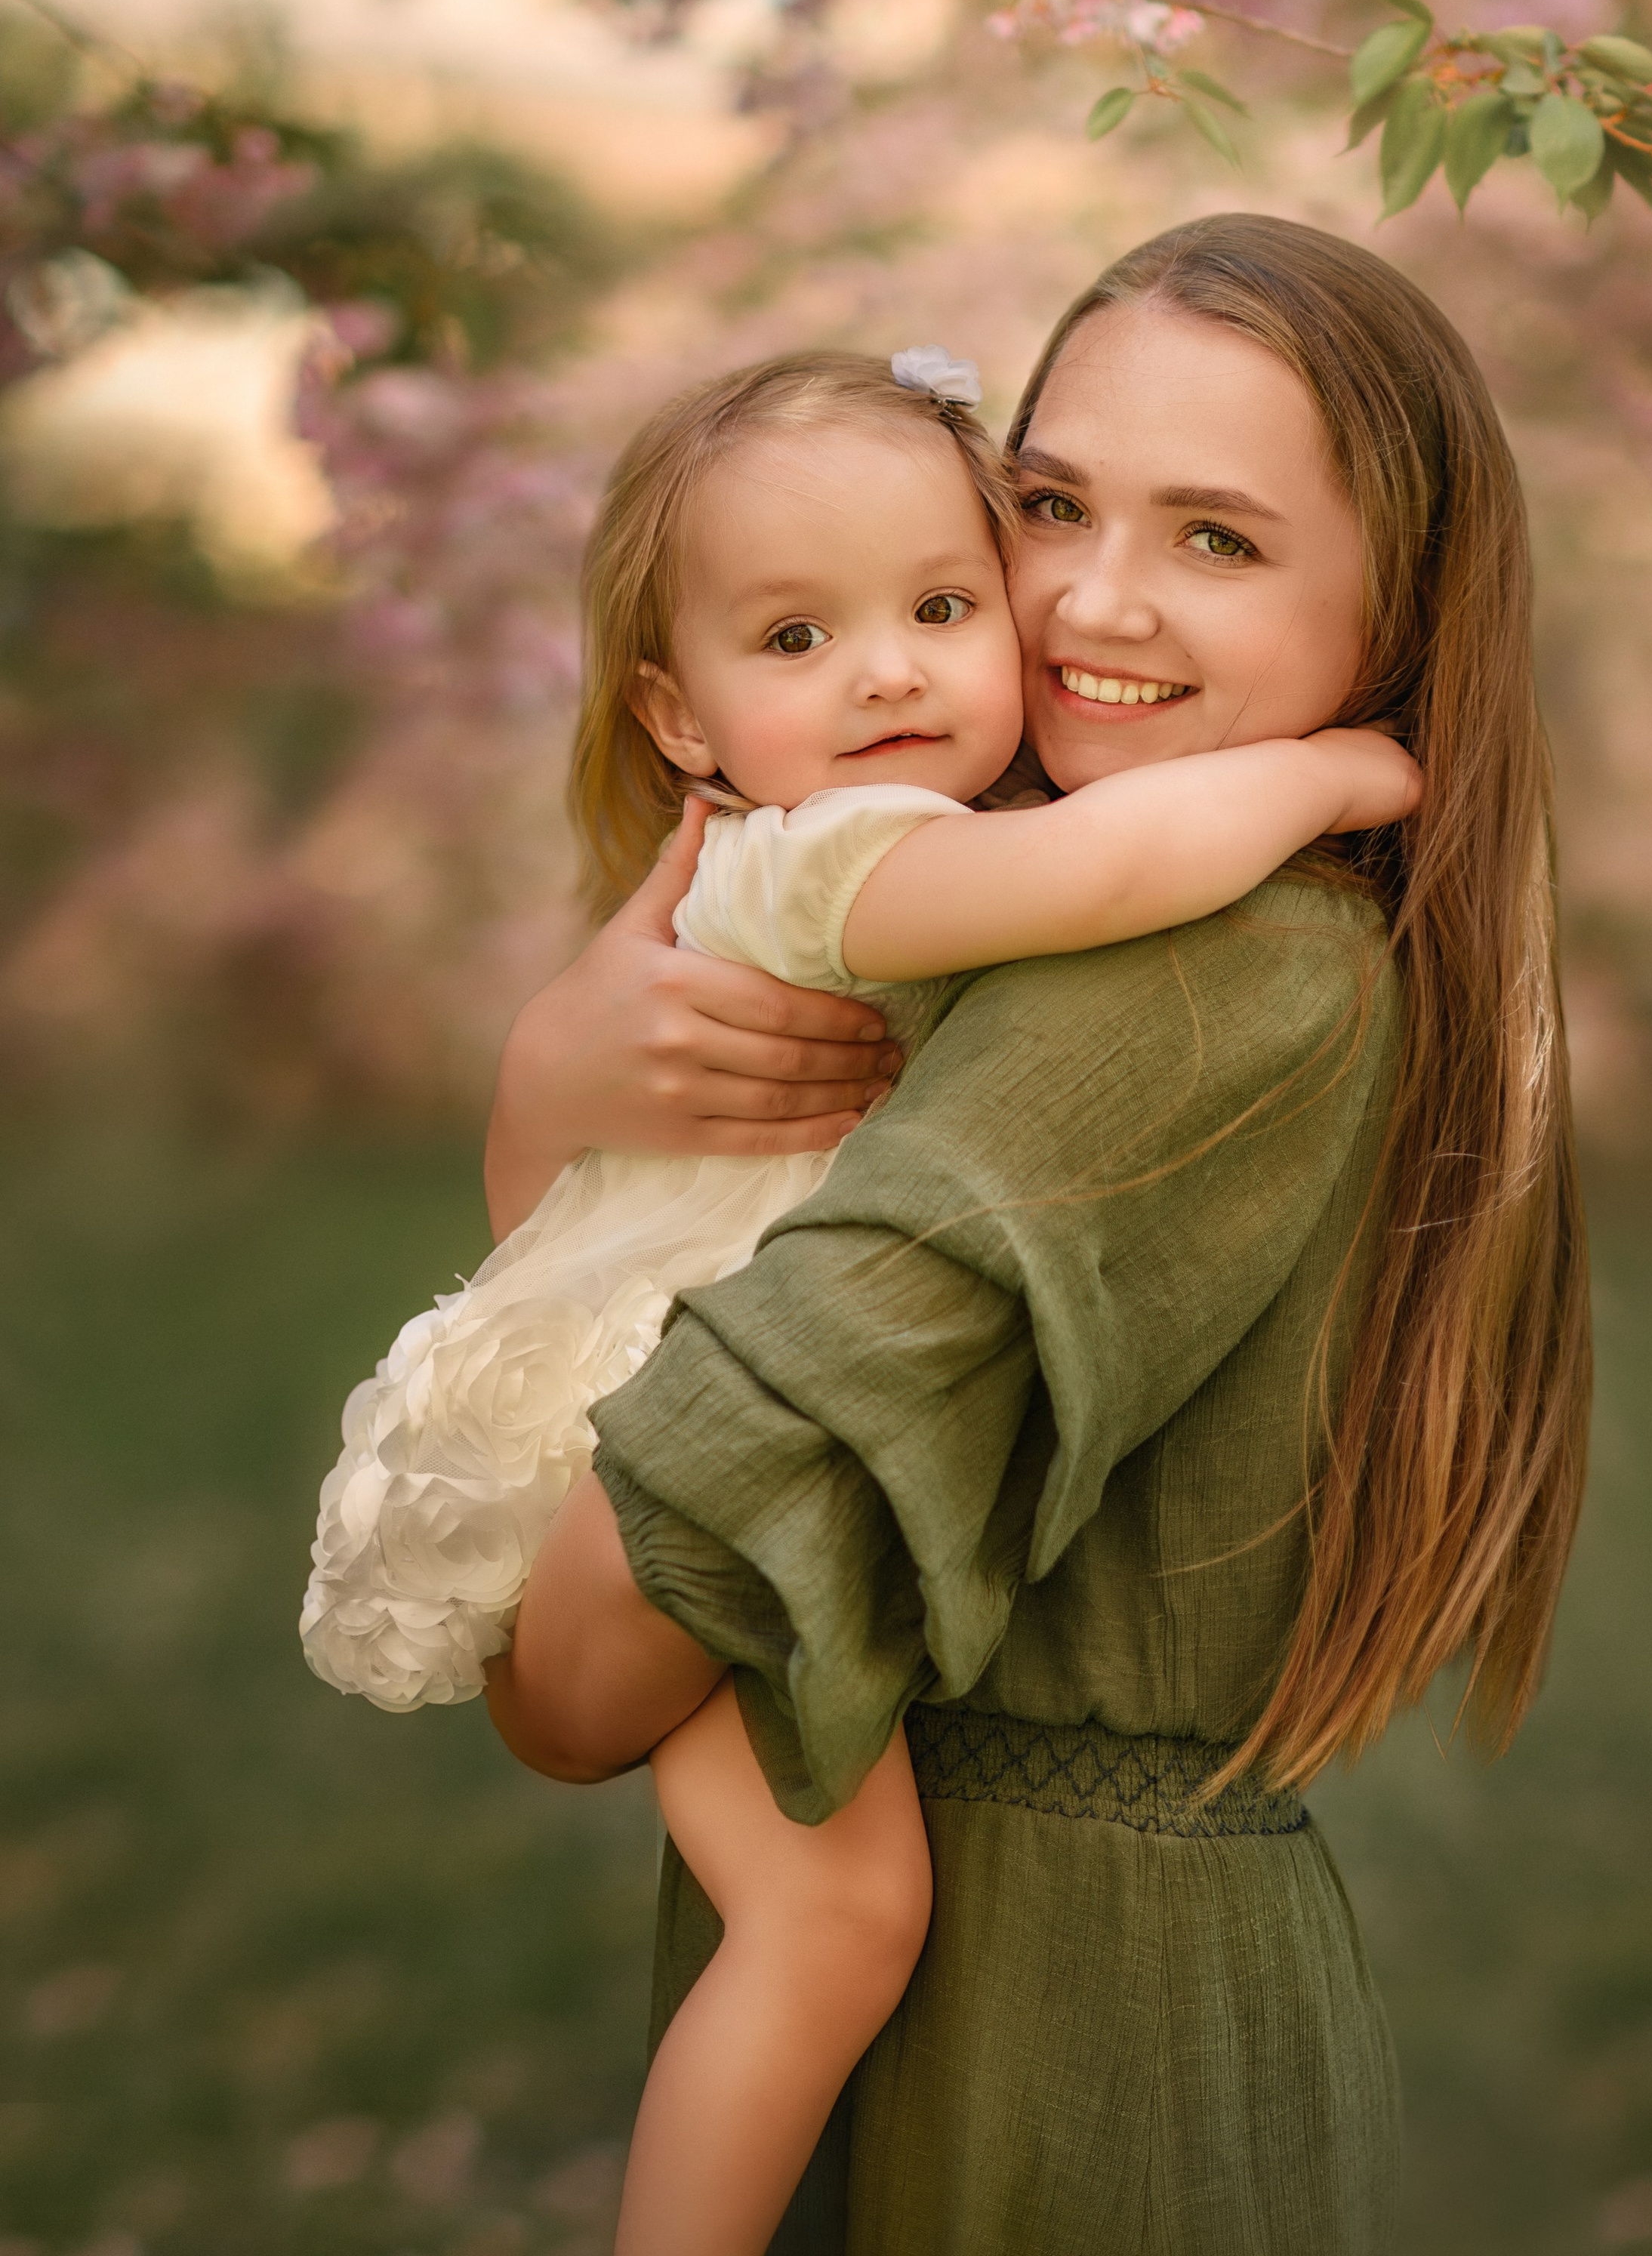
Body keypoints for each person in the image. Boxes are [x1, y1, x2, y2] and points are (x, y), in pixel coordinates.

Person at [485, 215, 1593, 2255]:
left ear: (1397, 613)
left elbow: (578, 1670)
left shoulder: (1200, 975)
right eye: (1054, 504)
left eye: (1218, 539)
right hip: (1013, 1962)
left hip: (1053, 2038)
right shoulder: (1007, 922)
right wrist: (555, 1104)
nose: (1090, 598)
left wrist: (531, 1157)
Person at [303, 339, 1421, 2255]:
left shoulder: (869, 860)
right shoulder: (842, 858)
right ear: (678, 716)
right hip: (650, 1445)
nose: (889, 673)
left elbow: (563, 1221)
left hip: (635, 1421)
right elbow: (1110, 870)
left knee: (820, 1923)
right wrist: (1329, 768)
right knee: (828, 1926)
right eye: (798, 638)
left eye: (939, 606)